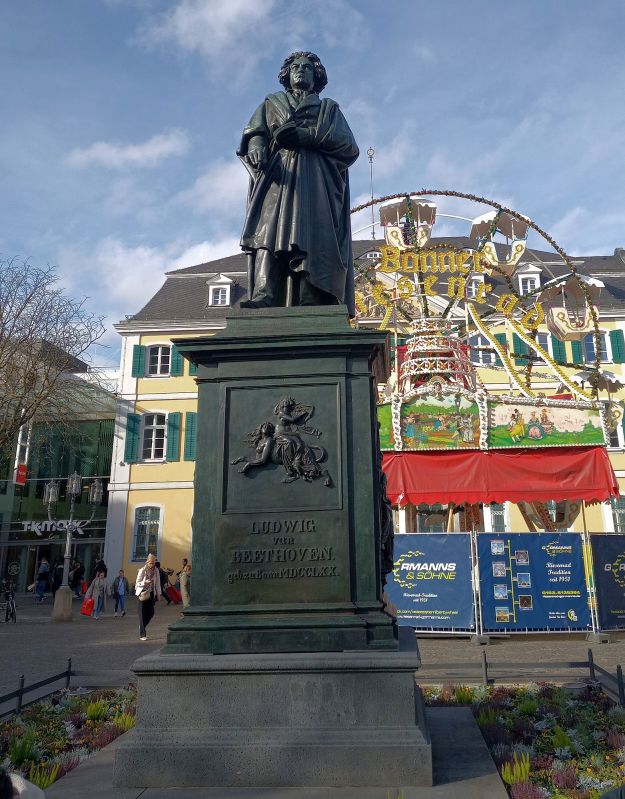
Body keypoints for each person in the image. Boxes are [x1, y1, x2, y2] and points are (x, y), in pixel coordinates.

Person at [238, 51, 358, 311]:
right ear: (287, 75)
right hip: (279, 177)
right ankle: (264, 293)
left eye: (307, 67)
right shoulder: (272, 103)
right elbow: (256, 132)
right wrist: (257, 146)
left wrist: (307, 137)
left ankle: (311, 295)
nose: (300, 70)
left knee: (315, 234)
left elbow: (348, 146)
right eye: (295, 67)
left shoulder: (329, 109)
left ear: (317, 76)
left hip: (317, 180)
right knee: (267, 231)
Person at [135, 553, 162, 640]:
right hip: (142, 594)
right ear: (147, 562)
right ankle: (142, 634)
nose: (152, 565)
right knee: (142, 614)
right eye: (150, 563)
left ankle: (142, 626)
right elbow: (137, 583)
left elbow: (157, 583)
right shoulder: (142, 570)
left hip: (151, 594)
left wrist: (159, 594)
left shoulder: (156, 570)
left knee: (151, 612)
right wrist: (144, 582)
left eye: (153, 563)